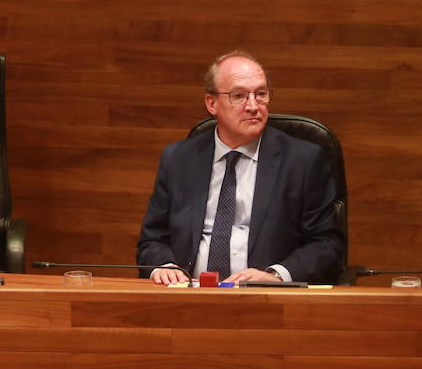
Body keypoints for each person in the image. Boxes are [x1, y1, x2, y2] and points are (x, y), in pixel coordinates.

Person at [137, 50, 345, 285]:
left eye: (261, 94)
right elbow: (153, 239)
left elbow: (328, 244)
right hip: (188, 295)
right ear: (212, 103)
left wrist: (275, 275)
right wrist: (164, 266)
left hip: (268, 300)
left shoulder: (303, 161)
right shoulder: (179, 158)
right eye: (239, 96)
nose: (253, 106)